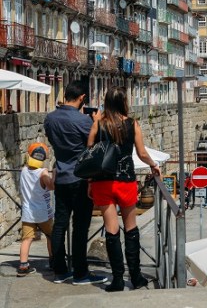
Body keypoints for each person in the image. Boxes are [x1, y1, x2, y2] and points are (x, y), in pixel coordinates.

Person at [87, 86, 160, 291]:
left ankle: (117, 279)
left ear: (106, 103)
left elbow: (90, 155)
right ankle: (136, 277)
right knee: (130, 228)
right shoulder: (132, 124)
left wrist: (90, 183)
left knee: (111, 230)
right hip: (126, 180)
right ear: (124, 102)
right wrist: (154, 165)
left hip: (103, 182)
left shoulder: (98, 125)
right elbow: (143, 153)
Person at [44, 81, 108, 286]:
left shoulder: (50, 119)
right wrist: (95, 122)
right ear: (82, 98)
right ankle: (80, 273)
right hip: (81, 180)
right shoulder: (83, 121)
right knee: (80, 227)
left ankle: (60, 270)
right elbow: (94, 145)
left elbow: (54, 142)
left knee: (59, 224)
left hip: (61, 177)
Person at [17, 143, 55, 277]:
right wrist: (54, 175)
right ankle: (53, 261)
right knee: (51, 236)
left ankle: (23, 265)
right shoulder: (43, 172)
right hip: (43, 212)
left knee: (27, 239)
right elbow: (51, 187)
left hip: (28, 212)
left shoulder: (24, 170)